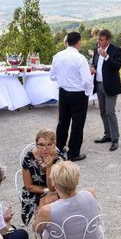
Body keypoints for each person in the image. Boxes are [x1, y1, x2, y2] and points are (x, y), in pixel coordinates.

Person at [35, 160, 103, 239]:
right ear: (76, 180)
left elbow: (36, 230)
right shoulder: (90, 194)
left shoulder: (48, 210)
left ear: (54, 185)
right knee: (75, 228)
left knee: (46, 232)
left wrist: (39, 214)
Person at [50, 31, 93, 161]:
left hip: (63, 92)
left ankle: (59, 147)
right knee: (77, 124)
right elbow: (86, 80)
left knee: (62, 121)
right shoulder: (80, 58)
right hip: (78, 94)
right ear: (79, 42)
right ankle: (73, 153)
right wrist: (87, 92)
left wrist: (64, 80)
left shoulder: (58, 55)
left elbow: (52, 76)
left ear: (67, 41)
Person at [20, 129, 65, 226]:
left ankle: (40, 232)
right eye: (41, 145)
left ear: (54, 144)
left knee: (50, 200)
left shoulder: (59, 159)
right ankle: (44, 233)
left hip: (57, 189)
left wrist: (48, 167)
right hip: (34, 190)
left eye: (49, 144)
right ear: (36, 144)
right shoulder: (28, 158)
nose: (45, 148)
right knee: (48, 202)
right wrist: (46, 191)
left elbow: (54, 187)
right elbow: (29, 186)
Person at [91, 29, 121, 152]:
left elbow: (117, 66)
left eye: (101, 39)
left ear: (108, 40)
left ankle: (115, 139)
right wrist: (93, 67)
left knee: (110, 111)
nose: (98, 41)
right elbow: (94, 62)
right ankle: (108, 134)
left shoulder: (116, 50)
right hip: (99, 84)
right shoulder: (96, 50)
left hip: (110, 85)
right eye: (98, 39)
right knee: (103, 111)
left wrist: (106, 56)